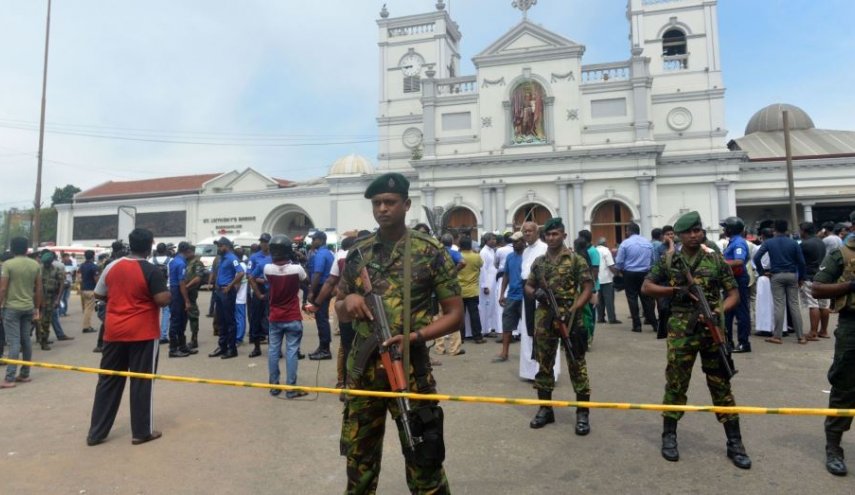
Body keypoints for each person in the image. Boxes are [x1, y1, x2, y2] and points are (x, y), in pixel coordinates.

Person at [338, 172, 463, 494]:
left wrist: (416, 337)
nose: (383, 208)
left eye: (390, 202)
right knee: (359, 463)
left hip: (411, 370)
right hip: (364, 374)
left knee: (425, 460)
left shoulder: (429, 251)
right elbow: (339, 308)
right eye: (377, 203)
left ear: (406, 205)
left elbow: (454, 314)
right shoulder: (358, 254)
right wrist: (349, 299)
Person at [641, 211, 751, 469]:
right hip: (681, 333)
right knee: (676, 383)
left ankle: (734, 442)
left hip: (713, 330)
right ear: (678, 235)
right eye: (688, 231)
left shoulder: (714, 259)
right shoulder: (670, 260)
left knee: (721, 384)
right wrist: (675, 290)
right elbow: (646, 287)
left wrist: (718, 311)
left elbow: (733, 293)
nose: (694, 235)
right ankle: (669, 436)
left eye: (698, 230)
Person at [86, 228, 170, 446]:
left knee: (108, 380)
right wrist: (167, 292)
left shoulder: (112, 266)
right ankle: (142, 432)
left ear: (130, 244)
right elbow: (161, 299)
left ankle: (96, 433)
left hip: (114, 331)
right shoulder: (151, 270)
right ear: (150, 245)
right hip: (143, 332)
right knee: (142, 381)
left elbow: (98, 293)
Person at [524, 218, 593, 433]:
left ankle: (582, 413)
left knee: (576, 363)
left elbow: (587, 288)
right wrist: (536, 293)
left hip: (571, 318)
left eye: (556, 234)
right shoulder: (539, 263)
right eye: (549, 234)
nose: (552, 238)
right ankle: (545, 409)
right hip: (544, 318)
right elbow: (528, 285)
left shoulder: (575, 260)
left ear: (564, 235)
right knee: (544, 363)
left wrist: (573, 310)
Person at [813, 212, 855, 475]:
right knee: (844, 386)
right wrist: (851, 285)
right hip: (852, 326)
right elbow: (817, 288)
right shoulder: (842, 254)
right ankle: (834, 447)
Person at [263, 234, 309, 399]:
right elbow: (306, 280)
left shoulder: (267, 269)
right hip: (292, 316)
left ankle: (274, 386)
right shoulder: (297, 269)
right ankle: (291, 388)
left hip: (275, 316)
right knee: (291, 352)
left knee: (274, 351)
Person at [753, 219, 806, 344]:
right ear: (786, 229)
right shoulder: (793, 243)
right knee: (794, 305)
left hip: (776, 275)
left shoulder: (769, 243)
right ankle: (801, 336)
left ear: (774, 229)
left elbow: (756, 257)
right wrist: (801, 277)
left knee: (779, 305)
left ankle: (777, 336)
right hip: (792, 275)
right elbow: (802, 262)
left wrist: (762, 272)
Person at [0, 237, 42, 388]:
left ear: (12, 249)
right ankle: (24, 374)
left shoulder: (8, 264)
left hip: (11, 308)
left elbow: (3, 288)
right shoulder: (35, 265)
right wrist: (37, 308)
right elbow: (38, 288)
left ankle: (9, 378)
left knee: (14, 342)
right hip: (28, 307)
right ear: (26, 249)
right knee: (26, 341)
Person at [615, 222, 657, 333]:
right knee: (647, 299)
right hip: (645, 273)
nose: (625, 232)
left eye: (626, 230)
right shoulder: (648, 243)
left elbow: (619, 261)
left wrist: (619, 271)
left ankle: (637, 325)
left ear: (629, 231)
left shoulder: (625, 243)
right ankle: (654, 324)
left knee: (632, 298)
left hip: (629, 273)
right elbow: (653, 260)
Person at [208, 237, 244, 359]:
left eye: (221, 246)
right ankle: (222, 346)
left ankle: (232, 348)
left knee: (230, 321)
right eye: (218, 246)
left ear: (227, 246)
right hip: (219, 291)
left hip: (227, 292)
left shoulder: (232, 258)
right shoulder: (221, 259)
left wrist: (230, 285)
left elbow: (240, 273)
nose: (219, 248)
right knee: (221, 321)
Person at [721, 217, 752, 353]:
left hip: (738, 279)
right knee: (727, 312)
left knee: (741, 312)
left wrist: (720, 263)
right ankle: (728, 342)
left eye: (725, 227)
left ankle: (744, 342)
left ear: (730, 229)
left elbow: (739, 261)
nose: (724, 229)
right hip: (731, 279)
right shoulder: (733, 242)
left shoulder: (738, 243)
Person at [434, 233, 465, 357]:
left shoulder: (436, 252)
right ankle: (454, 348)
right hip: (450, 289)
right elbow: (463, 262)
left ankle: (439, 348)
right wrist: (453, 272)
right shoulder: (452, 252)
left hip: (436, 289)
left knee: (438, 318)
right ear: (452, 242)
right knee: (453, 316)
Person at [496, 232, 526, 362]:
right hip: (512, 296)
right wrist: (502, 293)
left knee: (527, 327)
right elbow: (506, 276)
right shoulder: (509, 257)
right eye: (513, 242)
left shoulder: (528, 257)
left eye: (517, 242)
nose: (514, 244)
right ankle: (504, 352)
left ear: (523, 242)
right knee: (507, 325)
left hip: (525, 297)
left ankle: (530, 354)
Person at [800, 222, 830, 341]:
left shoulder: (804, 244)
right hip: (823, 276)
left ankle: (813, 332)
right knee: (824, 305)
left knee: (813, 305)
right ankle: (824, 330)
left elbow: (801, 263)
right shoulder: (821, 242)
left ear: (804, 231)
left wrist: (800, 277)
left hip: (810, 276)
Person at [307, 231, 334, 360]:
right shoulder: (328, 253)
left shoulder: (321, 255)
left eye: (314, 239)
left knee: (321, 318)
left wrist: (311, 291)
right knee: (322, 317)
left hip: (321, 288)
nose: (312, 242)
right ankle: (323, 347)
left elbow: (317, 274)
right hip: (326, 287)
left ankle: (325, 349)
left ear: (321, 240)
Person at [167, 242, 198, 358]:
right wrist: (186, 300)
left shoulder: (175, 261)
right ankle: (173, 348)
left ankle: (182, 346)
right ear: (187, 251)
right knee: (176, 320)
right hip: (177, 292)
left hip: (174, 290)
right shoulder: (181, 264)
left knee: (182, 319)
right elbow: (181, 283)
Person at [247, 233, 272, 358]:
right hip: (258, 289)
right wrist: (261, 282)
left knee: (272, 319)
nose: (263, 244)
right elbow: (249, 275)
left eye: (266, 241)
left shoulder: (274, 256)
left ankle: (273, 347)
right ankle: (256, 347)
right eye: (262, 241)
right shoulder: (254, 257)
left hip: (271, 290)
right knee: (255, 318)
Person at [37, 251, 67, 350]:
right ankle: (33, 340)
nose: (45, 265)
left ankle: (44, 341)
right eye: (44, 263)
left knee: (46, 321)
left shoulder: (56, 270)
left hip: (50, 298)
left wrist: (58, 299)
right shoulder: (38, 269)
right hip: (37, 298)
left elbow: (61, 284)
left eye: (47, 263)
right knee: (33, 321)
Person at [457, 235, 485, 344]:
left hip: (460, 289)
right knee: (474, 314)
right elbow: (481, 265)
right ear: (470, 245)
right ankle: (477, 337)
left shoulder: (458, 256)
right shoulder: (476, 256)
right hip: (473, 290)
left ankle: (461, 337)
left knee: (460, 315)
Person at [180, 246, 206, 349]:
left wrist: (186, 286)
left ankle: (194, 339)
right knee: (182, 315)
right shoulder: (185, 261)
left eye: (187, 252)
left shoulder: (197, 262)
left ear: (191, 252)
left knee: (193, 315)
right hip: (183, 291)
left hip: (190, 292)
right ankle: (182, 339)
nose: (186, 254)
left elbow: (198, 278)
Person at [150, 243, 172, 345]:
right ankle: (163, 335)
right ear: (166, 250)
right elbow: (171, 276)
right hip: (166, 288)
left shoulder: (151, 261)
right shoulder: (170, 261)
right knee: (166, 311)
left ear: (157, 251)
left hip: (152, 288)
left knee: (152, 311)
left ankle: (152, 333)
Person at [595, 238, 620, 325]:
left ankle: (600, 317)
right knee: (609, 300)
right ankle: (612, 318)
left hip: (597, 279)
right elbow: (610, 265)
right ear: (605, 243)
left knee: (599, 300)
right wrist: (617, 273)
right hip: (607, 279)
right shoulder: (606, 251)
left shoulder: (595, 250)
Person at [478, 233, 498, 337]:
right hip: (487, 282)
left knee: (491, 306)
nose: (494, 241)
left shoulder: (492, 251)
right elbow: (483, 270)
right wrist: (485, 285)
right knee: (486, 306)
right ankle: (485, 329)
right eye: (492, 239)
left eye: (495, 239)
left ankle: (491, 327)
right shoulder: (484, 252)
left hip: (493, 281)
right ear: (486, 241)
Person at [78, 250, 99, 334]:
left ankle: (87, 325)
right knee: (89, 310)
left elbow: (79, 277)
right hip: (91, 289)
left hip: (83, 289)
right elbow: (96, 279)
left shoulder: (82, 266)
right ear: (93, 256)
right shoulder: (94, 267)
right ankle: (86, 327)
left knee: (86, 308)